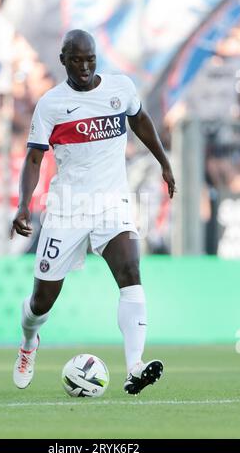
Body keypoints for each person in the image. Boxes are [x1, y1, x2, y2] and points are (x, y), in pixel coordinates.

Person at [11, 29, 176, 395]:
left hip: (111, 203)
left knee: (131, 271)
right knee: (41, 302)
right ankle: (28, 343)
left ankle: (134, 366)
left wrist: (163, 162)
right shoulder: (51, 104)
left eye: (90, 59)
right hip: (67, 209)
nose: (84, 67)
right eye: (76, 60)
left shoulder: (120, 89)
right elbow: (34, 157)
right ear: (63, 60)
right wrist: (24, 204)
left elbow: (140, 119)